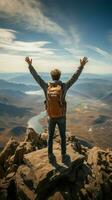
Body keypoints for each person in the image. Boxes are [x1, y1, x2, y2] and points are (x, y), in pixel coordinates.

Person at [25, 57, 88, 163]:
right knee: (63, 136)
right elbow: (74, 77)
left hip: (51, 116)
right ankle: (63, 155)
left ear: (51, 76)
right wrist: (81, 66)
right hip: (61, 116)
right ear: (59, 76)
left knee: (50, 136)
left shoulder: (46, 87)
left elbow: (37, 77)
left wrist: (30, 65)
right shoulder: (63, 86)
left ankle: (50, 155)